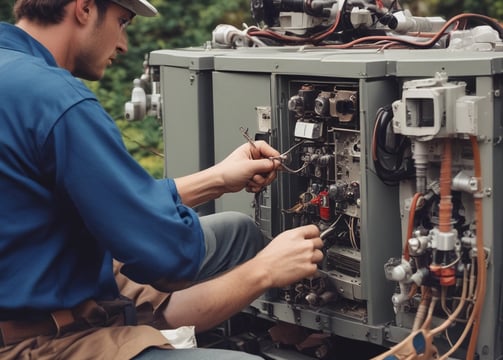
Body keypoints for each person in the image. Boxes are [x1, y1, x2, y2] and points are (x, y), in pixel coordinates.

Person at [0, 0, 324, 358]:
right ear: (85, 8)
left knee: (237, 232)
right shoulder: (57, 101)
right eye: (122, 22)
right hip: (31, 340)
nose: (122, 44)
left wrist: (217, 179)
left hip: (32, 278)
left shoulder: (11, 71)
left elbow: (100, 200)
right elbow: (167, 260)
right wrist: (266, 270)